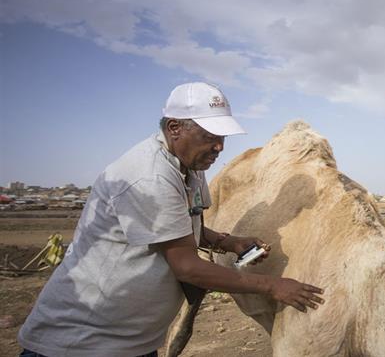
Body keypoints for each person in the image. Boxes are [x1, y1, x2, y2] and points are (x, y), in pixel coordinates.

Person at [18, 82, 324, 357]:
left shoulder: (190, 166)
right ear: (175, 127)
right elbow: (187, 267)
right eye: (209, 136)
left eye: (222, 136)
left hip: (131, 340)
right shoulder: (150, 177)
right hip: (84, 341)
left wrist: (229, 242)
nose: (219, 146)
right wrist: (273, 286)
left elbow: (184, 225)